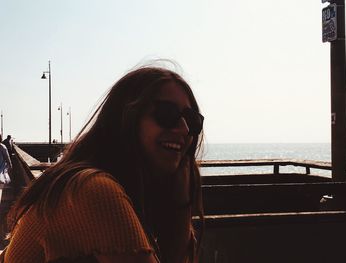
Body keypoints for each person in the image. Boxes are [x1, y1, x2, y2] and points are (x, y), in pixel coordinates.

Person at [4, 65, 204, 263]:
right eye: (167, 113)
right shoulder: (92, 188)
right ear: (127, 117)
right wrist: (181, 205)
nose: (185, 129)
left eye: (191, 119)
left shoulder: (124, 189)